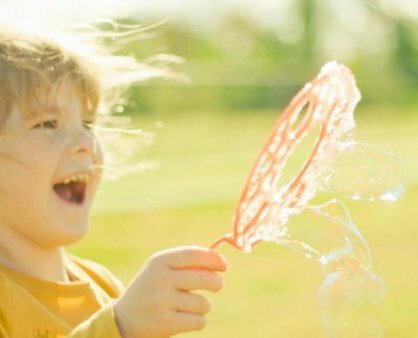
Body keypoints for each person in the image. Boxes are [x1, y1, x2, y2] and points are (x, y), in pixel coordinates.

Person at [0, 20, 228, 338]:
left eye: (89, 124)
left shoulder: (104, 286)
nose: (86, 142)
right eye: (48, 123)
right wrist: (120, 327)